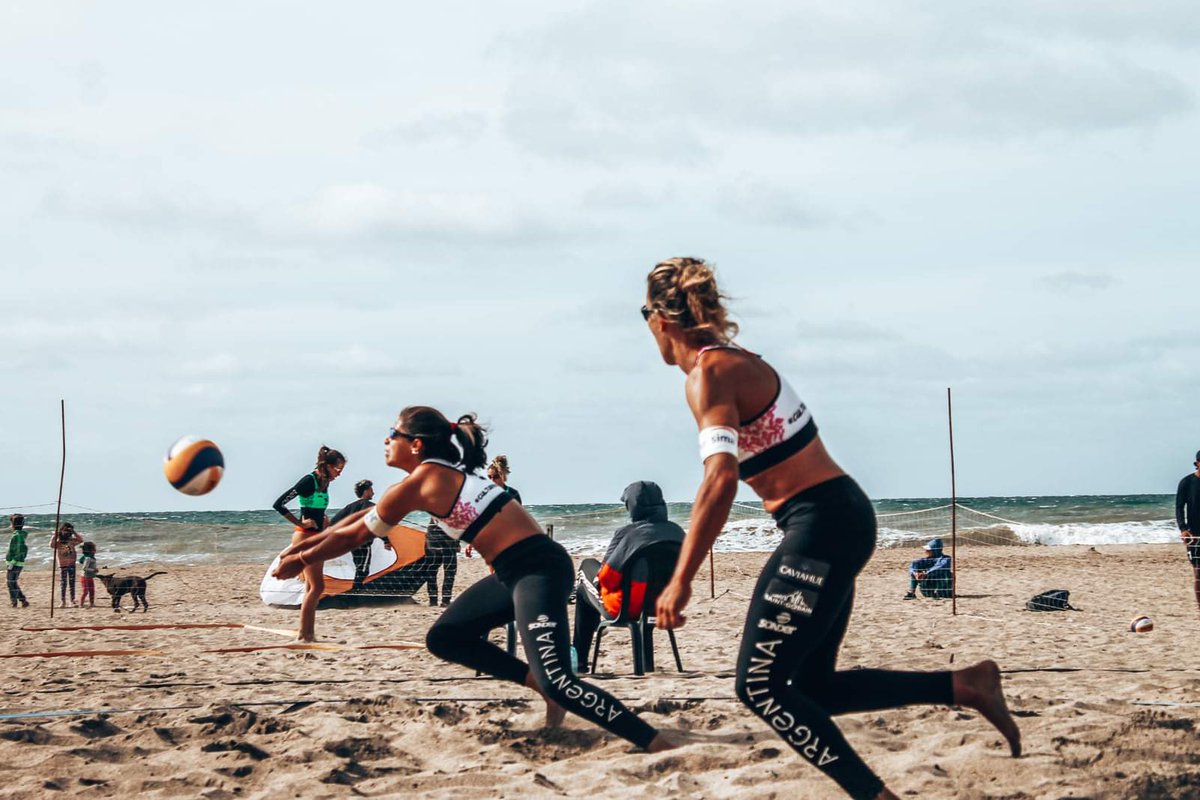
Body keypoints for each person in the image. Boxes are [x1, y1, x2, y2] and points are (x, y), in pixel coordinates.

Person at [641, 258, 1019, 800]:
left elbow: (720, 478)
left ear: (660, 319)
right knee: (812, 686)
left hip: (821, 524)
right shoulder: (735, 363)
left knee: (758, 686)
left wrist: (682, 578)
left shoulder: (710, 374)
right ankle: (965, 684)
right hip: (838, 518)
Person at [272, 406, 674, 752]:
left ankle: (653, 741)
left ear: (416, 444)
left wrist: (302, 555)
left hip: (539, 569)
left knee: (563, 682)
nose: (385, 439)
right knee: (445, 638)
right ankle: (538, 683)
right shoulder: (432, 476)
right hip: (510, 573)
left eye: (392, 433)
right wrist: (296, 551)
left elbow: (356, 534)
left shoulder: (424, 480)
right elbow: (355, 523)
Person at [572, 480, 684, 669]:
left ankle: (579, 660)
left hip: (624, 608)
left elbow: (607, 579)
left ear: (633, 506)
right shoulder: (677, 533)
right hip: (662, 606)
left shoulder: (628, 534)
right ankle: (647, 664)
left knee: (585, 571)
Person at [273, 445, 346, 642]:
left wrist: (324, 517)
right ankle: (305, 635)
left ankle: (306, 633)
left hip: (316, 535)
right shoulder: (309, 480)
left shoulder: (324, 481)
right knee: (317, 587)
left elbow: (314, 506)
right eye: (337, 469)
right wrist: (300, 522)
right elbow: (279, 504)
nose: (339, 474)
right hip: (305, 536)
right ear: (327, 465)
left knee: (312, 587)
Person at [329, 479, 376, 591]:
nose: (373, 493)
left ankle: (357, 589)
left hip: (351, 543)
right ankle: (356, 590)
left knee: (359, 567)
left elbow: (333, 522)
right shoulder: (372, 506)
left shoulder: (350, 507)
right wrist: (386, 540)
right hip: (364, 543)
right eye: (371, 490)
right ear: (365, 491)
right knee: (363, 569)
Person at [1175, 450, 1200, 616]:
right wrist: (1183, 529)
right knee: (1198, 572)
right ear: (1197, 462)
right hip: (1195, 535)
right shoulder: (1187, 482)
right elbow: (1179, 507)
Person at [424, 518, 460, 606]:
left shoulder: (433, 507)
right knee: (449, 571)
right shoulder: (453, 508)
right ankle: (445, 600)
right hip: (448, 541)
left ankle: (433, 600)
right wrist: (457, 543)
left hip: (431, 539)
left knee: (431, 570)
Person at [52, 522, 84, 608]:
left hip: (71, 564)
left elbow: (81, 540)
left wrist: (74, 532)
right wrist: (56, 535)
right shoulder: (58, 543)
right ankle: (63, 601)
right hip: (62, 565)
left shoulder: (72, 541)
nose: (66, 534)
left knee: (72, 583)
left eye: (68, 532)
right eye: (65, 531)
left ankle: (72, 600)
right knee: (63, 583)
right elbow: (51, 545)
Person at [6, 514, 29, 608]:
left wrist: (12, 562)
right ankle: (22, 600)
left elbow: (20, 550)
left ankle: (14, 601)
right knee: (12, 582)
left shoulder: (18, 536)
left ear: (13, 524)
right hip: (16, 562)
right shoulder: (18, 535)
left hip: (15, 563)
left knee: (11, 582)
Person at [79, 541, 99, 609]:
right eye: (94, 549)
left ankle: (92, 603)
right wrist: (93, 570)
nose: (95, 550)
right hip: (85, 577)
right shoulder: (88, 558)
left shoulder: (92, 558)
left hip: (90, 577)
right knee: (85, 591)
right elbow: (84, 568)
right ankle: (81, 604)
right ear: (90, 550)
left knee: (92, 590)